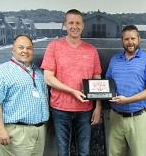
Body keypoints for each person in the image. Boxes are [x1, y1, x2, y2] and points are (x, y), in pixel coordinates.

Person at [41, 9, 102, 156]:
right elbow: (48, 77)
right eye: (71, 23)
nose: (74, 26)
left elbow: (97, 79)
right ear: (65, 25)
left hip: (85, 110)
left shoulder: (91, 50)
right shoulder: (53, 47)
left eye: (78, 23)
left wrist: (98, 106)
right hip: (60, 109)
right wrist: (72, 91)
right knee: (63, 152)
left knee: (84, 151)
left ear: (83, 26)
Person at [0, 35, 49, 156]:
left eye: (29, 48)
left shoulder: (39, 72)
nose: (25, 51)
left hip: (40, 131)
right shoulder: (1, 71)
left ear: (32, 51)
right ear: (13, 50)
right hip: (17, 132)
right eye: (21, 47)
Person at [105, 25, 146, 156]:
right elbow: (107, 84)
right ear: (122, 41)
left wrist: (127, 100)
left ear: (139, 39)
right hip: (115, 118)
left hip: (138, 118)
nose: (130, 42)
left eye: (133, 38)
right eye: (126, 39)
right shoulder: (114, 60)